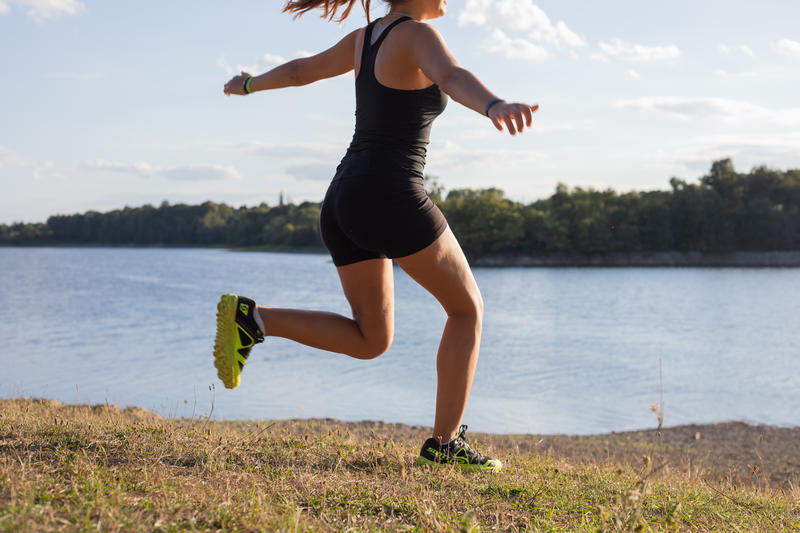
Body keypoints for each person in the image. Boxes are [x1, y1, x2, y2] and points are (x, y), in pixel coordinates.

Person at [216, 0, 538, 472]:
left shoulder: (365, 38)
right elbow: (450, 76)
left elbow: (304, 70)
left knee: (372, 338)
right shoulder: (415, 35)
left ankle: (254, 319)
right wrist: (493, 105)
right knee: (467, 311)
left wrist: (249, 84)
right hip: (391, 194)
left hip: (344, 197)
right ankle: (444, 446)